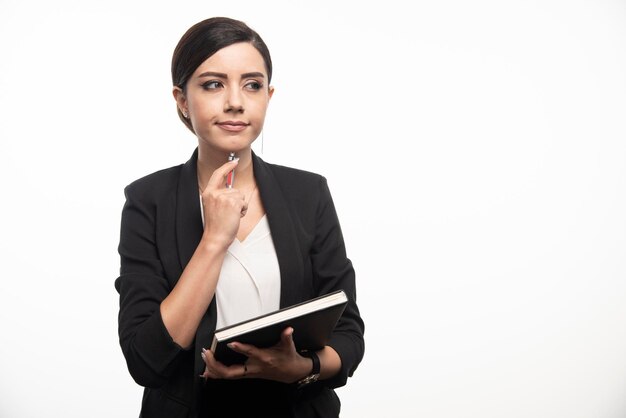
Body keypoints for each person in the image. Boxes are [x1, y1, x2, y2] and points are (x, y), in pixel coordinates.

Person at [115, 17, 364, 418]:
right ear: (181, 99)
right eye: (213, 84)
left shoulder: (308, 193)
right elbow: (146, 359)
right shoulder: (149, 200)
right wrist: (214, 239)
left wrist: (303, 368)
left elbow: (348, 330)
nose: (235, 101)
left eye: (252, 84)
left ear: (269, 94)